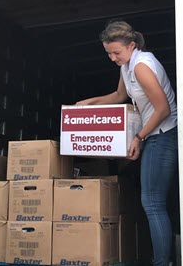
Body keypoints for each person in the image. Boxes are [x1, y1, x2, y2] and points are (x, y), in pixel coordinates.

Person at [76, 20, 178, 266]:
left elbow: (163, 109)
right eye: (108, 53)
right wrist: (89, 103)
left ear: (132, 45)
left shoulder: (142, 66)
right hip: (152, 134)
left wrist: (138, 137)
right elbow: (119, 96)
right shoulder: (127, 66)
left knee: (153, 203)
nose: (112, 58)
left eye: (116, 52)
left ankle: (162, 262)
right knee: (151, 201)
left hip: (163, 134)